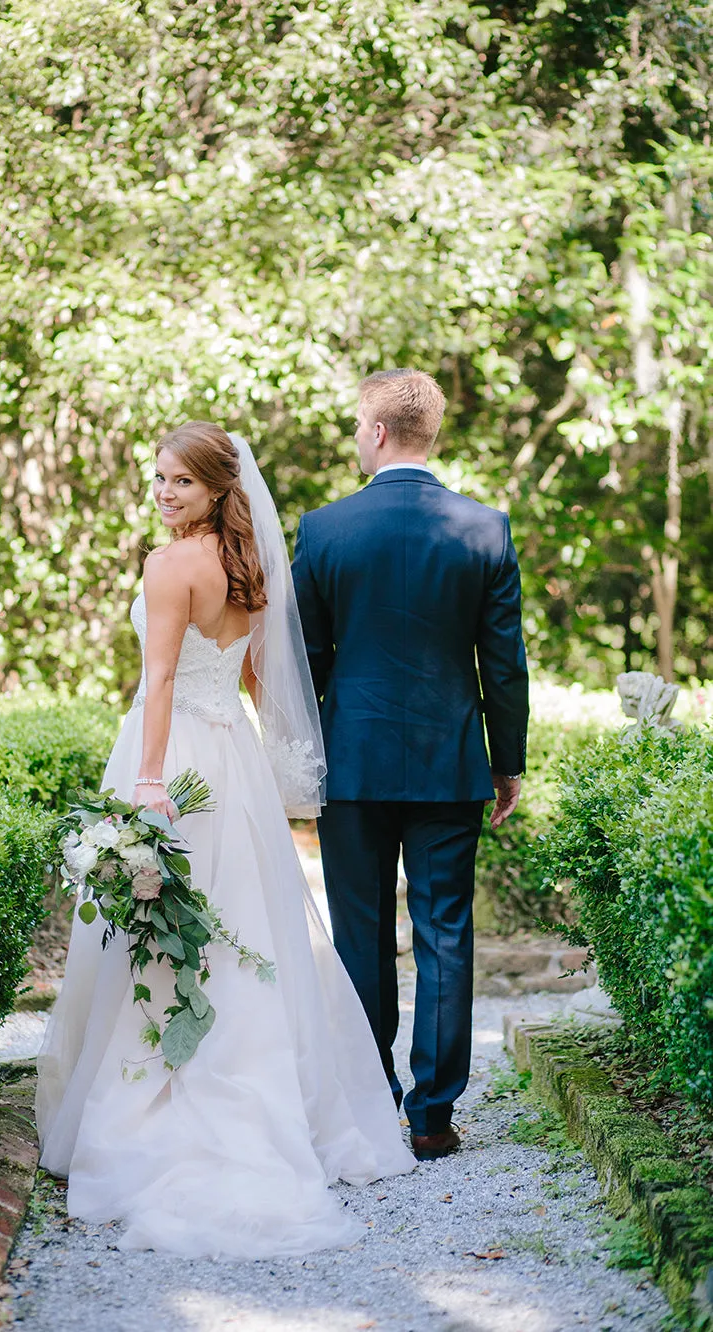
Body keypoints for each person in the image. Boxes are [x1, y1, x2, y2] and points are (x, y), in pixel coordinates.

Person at [36, 421, 415, 1260]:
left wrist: (147, 783)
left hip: (170, 759)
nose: (164, 493)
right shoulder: (249, 570)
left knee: (167, 932)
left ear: (216, 489)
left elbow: (161, 677)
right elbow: (252, 674)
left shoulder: (168, 565)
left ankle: (161, 1096)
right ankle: (280, 1099)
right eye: (159, 478)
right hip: (232, 762)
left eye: (180, 482)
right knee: (241, 925)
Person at [291, 369, 529, 1161]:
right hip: (447, 762)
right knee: (446, 935)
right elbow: (505, 665)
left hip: (351, 767)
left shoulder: (324, 531)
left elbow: (307, 659)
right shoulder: (485, 529)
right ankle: (432, 1118)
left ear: (380, 432)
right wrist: (508, 763)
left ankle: (369, 1104)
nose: (358, 440)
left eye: (360, 428)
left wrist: (298, 756)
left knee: (361, 937)